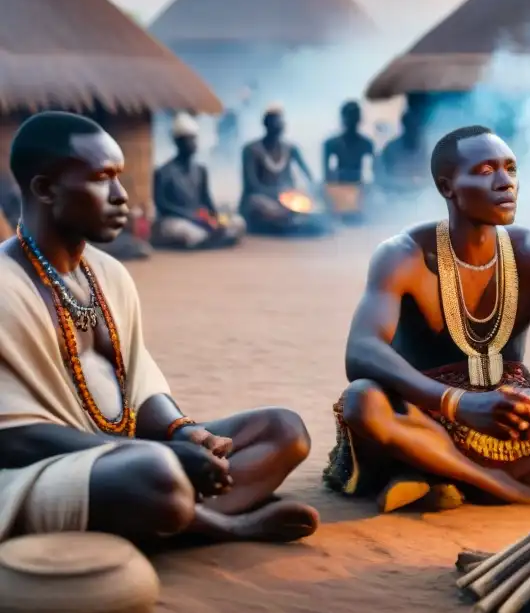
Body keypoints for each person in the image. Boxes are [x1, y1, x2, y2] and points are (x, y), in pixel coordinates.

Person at [0, 111, 318, 543]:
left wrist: (186, 432)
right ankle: (223, 524)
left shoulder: (109, 274)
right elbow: (16, 439)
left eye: (120, 177)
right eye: (101, 178)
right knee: (151, 473)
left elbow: (138, 381)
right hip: (34, 472)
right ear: (44, 189)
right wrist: (157, 452)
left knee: (283, 430)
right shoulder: (6, 285)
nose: (121, 195)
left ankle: (170, 512)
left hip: (130, 451)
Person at [324, 125, 530, 512]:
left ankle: (443, 474)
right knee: (364, 401)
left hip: (510, 416)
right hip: (428, 416)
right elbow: (361, 351)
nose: (505, 182)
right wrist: (459, 404)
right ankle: (500, 483)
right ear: (448, 187)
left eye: (510, 169)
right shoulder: (404, 254)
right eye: (484, 171)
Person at [151, 112, 245, 250]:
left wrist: (215, 219)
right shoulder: (163, 172)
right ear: (178, 142)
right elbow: (162, 206)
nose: (193, 144)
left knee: (237, 223)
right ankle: (209, 239)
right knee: (186, 232)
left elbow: (206, 200)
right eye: (188, 139)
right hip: (177, 220)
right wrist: (190, 217)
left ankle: (211, 238)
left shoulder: (201, 170)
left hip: (201, 219)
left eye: (194, 139)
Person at [239, 105, 330, 236]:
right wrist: (280, 194)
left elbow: (308, 176)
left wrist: (312, 191)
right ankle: (288, 220)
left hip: (289, 199)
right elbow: (251, 186)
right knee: (258, 204)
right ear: (266, 125)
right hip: (264, 199)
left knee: (312, 205)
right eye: (274, 123)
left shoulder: (290, 148)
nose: (278, 126)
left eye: (280, 123)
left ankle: (293, 219)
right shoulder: (252, 150)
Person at [375, 110, 430, 196]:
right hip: (395, 197)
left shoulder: (426, 149)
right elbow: (381, 177)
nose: (414, 130)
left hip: (420, 198)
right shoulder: (391, 148)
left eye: (416, 126)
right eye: (411, 126)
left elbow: (429, 178)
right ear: (405, 126)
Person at [323, 100, 374, 185]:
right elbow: (326, 175)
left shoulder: (366, 144)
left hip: (359, 188)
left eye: (353, 117)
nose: (351, 121)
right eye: (349, 117)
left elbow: (376, 172)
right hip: (339, 188)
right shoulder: (332, 144)